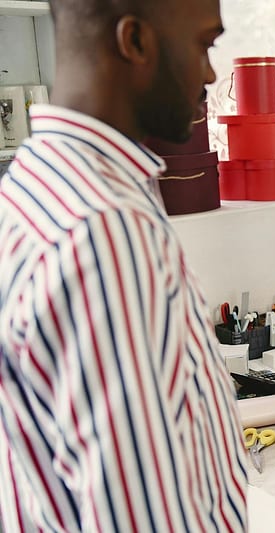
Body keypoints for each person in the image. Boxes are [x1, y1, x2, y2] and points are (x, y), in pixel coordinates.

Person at [0, 0, 249, 530]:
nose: (210, 73)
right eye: (204, 44)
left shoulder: (29, 187)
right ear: (134, 42)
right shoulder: (105, 230)